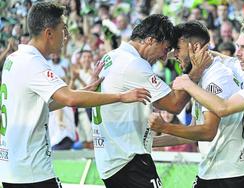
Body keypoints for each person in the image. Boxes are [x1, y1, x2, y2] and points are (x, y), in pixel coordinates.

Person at [0, 2, 151, 188]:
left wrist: (85, 91)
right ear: (49, 33)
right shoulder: (33, 63)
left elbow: (43, 104)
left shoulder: (13, 59)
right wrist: (121, 97)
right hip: (32, 171)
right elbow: (70, 98)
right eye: (63, 29)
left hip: (11, 170)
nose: (67, 36)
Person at [91, 14, 212, 188]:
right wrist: (195, 72)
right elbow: (174, 105)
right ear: (150, 40)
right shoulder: (134, 64)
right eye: (165, 49)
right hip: (128, 161)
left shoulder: (112, 56)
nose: (164, 58)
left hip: (111, 158)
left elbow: (161, 92)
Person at [149, 20, 244, 188]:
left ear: (195, 48)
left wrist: (164, 127)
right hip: (212, 171)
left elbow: (207, 131)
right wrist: (150, 143)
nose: (174, 54)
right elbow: (192, 130)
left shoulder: (217, 77)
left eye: (178, 48)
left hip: (230, 176)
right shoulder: (200, 75)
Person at [172, 20, 244, 188]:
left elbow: (224, 108)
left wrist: (187, 82)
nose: (238, 53)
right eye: (238, 46)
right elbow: (227, 59)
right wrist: (194, 51)